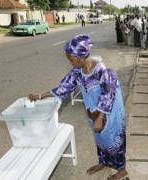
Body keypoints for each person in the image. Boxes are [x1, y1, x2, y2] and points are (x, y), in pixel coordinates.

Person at [28, 35, 128, 180]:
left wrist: (101, 118)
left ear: (79, 57)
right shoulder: (77, 72)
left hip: (110, 114)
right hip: (93, 114)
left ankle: (122, 170)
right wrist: (39, 96)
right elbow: (63, 88)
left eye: (71, 59)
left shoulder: (103, 71)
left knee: (114, 142)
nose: (70, 62)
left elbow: (108, 95)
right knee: (100, 140)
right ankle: (104, 162)